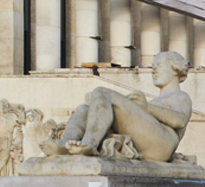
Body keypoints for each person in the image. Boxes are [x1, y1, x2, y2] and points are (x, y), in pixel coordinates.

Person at [42, 52, 194, 162]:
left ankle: (90, 143)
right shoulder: (156, 100)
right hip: (148, 139)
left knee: (102, 92)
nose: (154, 70)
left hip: (162, 144)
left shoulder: (180, 96)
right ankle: (67, 143)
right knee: (83, 110)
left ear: (176, 69)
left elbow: (180, 120)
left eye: (159, 66)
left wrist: (147, 108)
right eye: (152, 66)